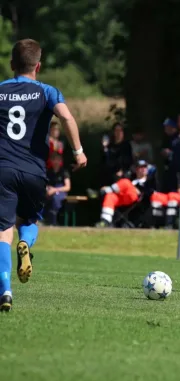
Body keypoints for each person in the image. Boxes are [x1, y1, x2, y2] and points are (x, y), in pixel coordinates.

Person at [0, 39, 87, 312]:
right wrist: (78, 152)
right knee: (29, 220)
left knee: (3, 230)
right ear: (38, 65)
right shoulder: (47, 91)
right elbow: (67, 118)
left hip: (2, 169)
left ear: (12, 64)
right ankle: (26, 242)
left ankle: (5, 289)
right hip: (34, 171)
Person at [95, 160, 155, 227]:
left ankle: (101, 192)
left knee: (125, 182)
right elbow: (119, 186)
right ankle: (105, 221)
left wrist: (137, 190)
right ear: (136, 169)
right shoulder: (131, 179)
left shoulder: (149, 181)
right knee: (110, 196)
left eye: (145, 167)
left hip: (137, 199)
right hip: (124, 199)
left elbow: (151, 193)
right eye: (141, 167)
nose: (143, 169)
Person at [45, 153, 71, 226]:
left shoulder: (64, 172)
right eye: (54, 159)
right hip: (48, 192)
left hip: (61, 193)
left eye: (58, 160)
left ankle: (53, 221)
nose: (56, 162)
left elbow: (67, 187)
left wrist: (55, 190)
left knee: (55, 198)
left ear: (61, 161)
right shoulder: (48, 172)